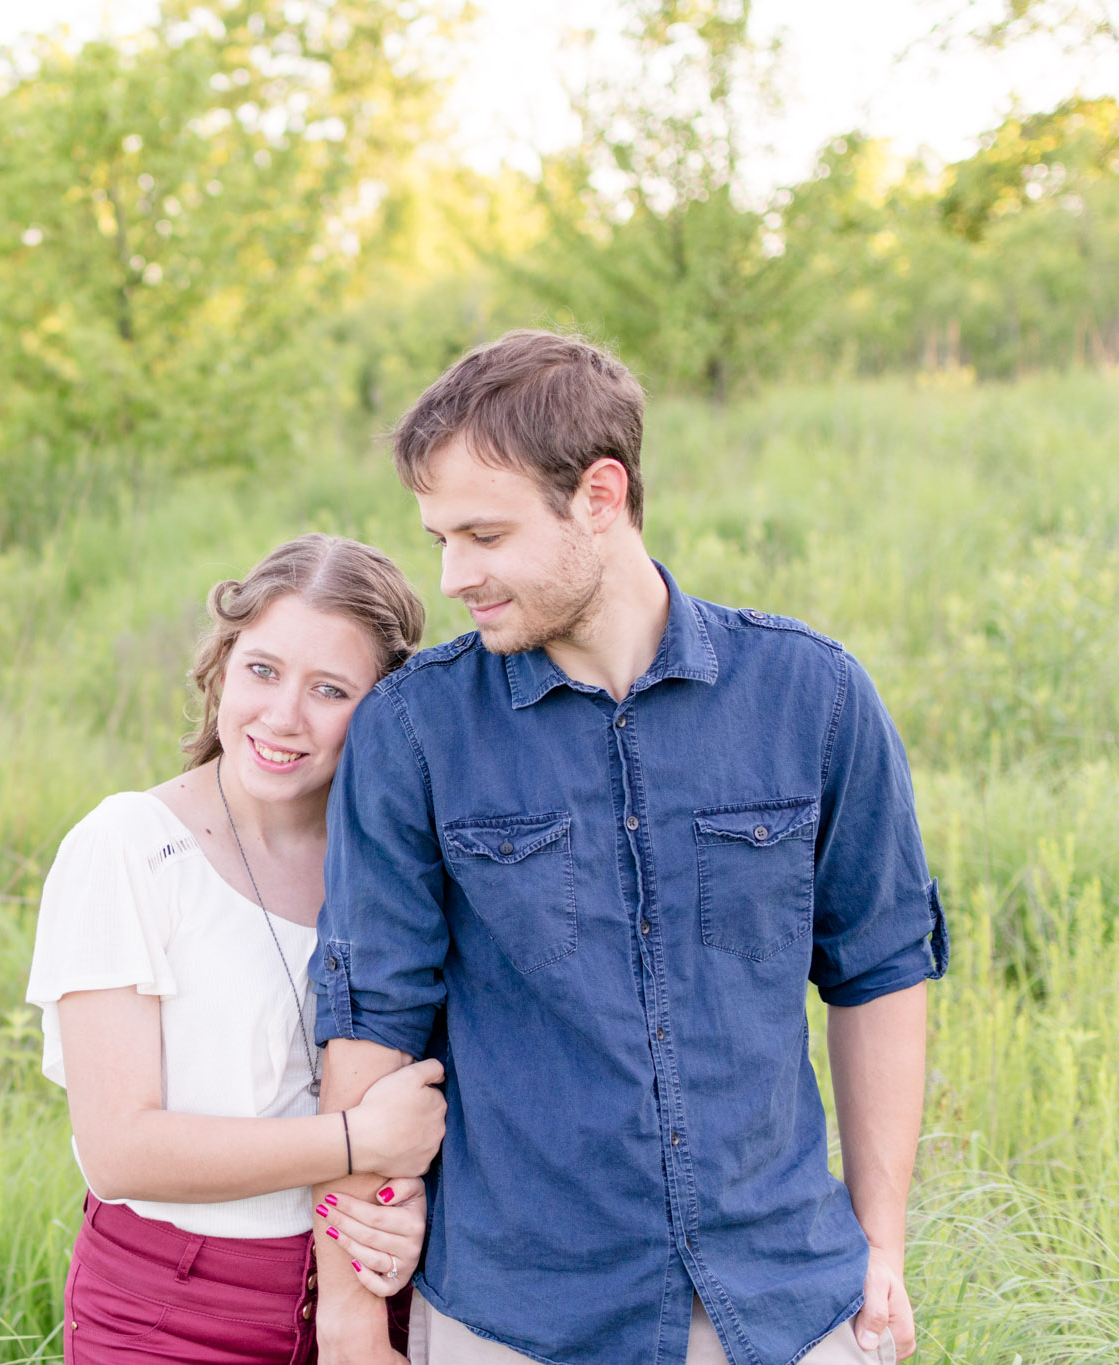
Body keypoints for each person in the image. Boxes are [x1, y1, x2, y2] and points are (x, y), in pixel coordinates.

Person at [307, 331, 948, 1365]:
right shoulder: (414, 731)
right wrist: (346, 1320)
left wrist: (880, 1241)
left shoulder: (813, 696)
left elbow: (878, 972)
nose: (451, 573)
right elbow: (368, 1014)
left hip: (784, 1302)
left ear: (598, 497)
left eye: (482, 534)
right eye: (437, 538)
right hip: (516, 1317)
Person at [27, 534, 449, 1364]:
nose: (283, 715)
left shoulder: (397, 865)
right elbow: (119, 1150)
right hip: (170, 1308)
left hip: (369, 1295)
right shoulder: (129, 847)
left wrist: (404, 1211)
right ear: (221, 664)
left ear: (382, 710)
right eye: (263, 669)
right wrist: (362, 1143)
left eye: (330, 689)